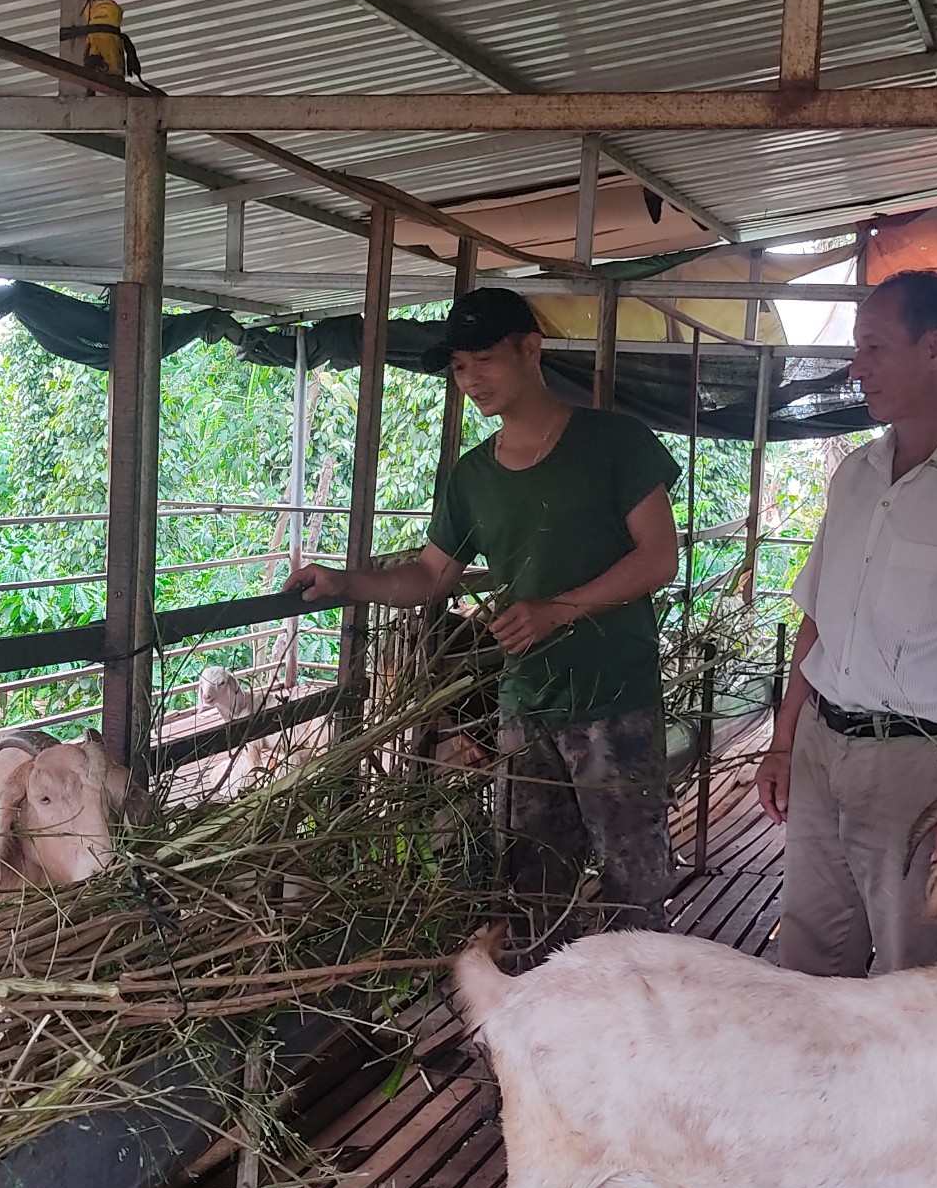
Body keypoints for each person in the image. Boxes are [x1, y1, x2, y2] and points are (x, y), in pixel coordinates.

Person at [288, 287, 682, 931]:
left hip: (613, 697)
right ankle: (531, 1020)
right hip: (525, 702)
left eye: (484, 360)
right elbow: (428, 575)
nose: (471, 379)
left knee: (631, 881)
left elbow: (658, 558)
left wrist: (558, 609)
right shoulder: (472, 476)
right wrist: (345, 583)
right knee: (528, 881)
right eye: (459, 366)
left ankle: (638, 1020)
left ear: (532, 348)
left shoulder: (616, 442)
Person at [755, 270, 937, 977]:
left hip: (921, 767)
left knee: (913, 967)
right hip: (823, 750)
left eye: (873, 347)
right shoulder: (856, 474)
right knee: (807, 955)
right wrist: (784, 740)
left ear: (935, 349)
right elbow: (816, 619)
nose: (857, 367)